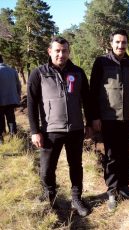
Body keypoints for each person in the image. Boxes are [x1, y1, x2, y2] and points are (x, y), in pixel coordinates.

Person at [27, 37, 91, 217]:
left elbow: (87, 100)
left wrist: (90, 123)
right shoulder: (38, 73)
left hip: (75, 130)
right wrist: (35, 131)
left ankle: (77, 198)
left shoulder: (78, 73)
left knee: (76, 166)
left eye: (64, 51)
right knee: (47, 168)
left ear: (69, 52)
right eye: (57, 51)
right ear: (50, 51)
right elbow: (31, 104)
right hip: (50, 131)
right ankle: (50, 196)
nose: (61, 54)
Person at [90, 29, 129, 211]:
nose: (121, 46)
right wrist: (94, 117)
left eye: (124, 42)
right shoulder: (101, 63)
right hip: (108, 118)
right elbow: (93, 91)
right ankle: (112, 190)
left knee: (125, 153)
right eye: (117, 42)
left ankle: (124, 185)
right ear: (111, 43)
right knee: (111, 155)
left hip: (127, 118)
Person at [0, 54, 21, 144]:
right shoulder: (12, 71)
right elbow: (18, 85)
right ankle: (13, 137)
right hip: (11, 100)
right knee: (11, 119)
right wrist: (17, 96)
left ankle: (1, 139)